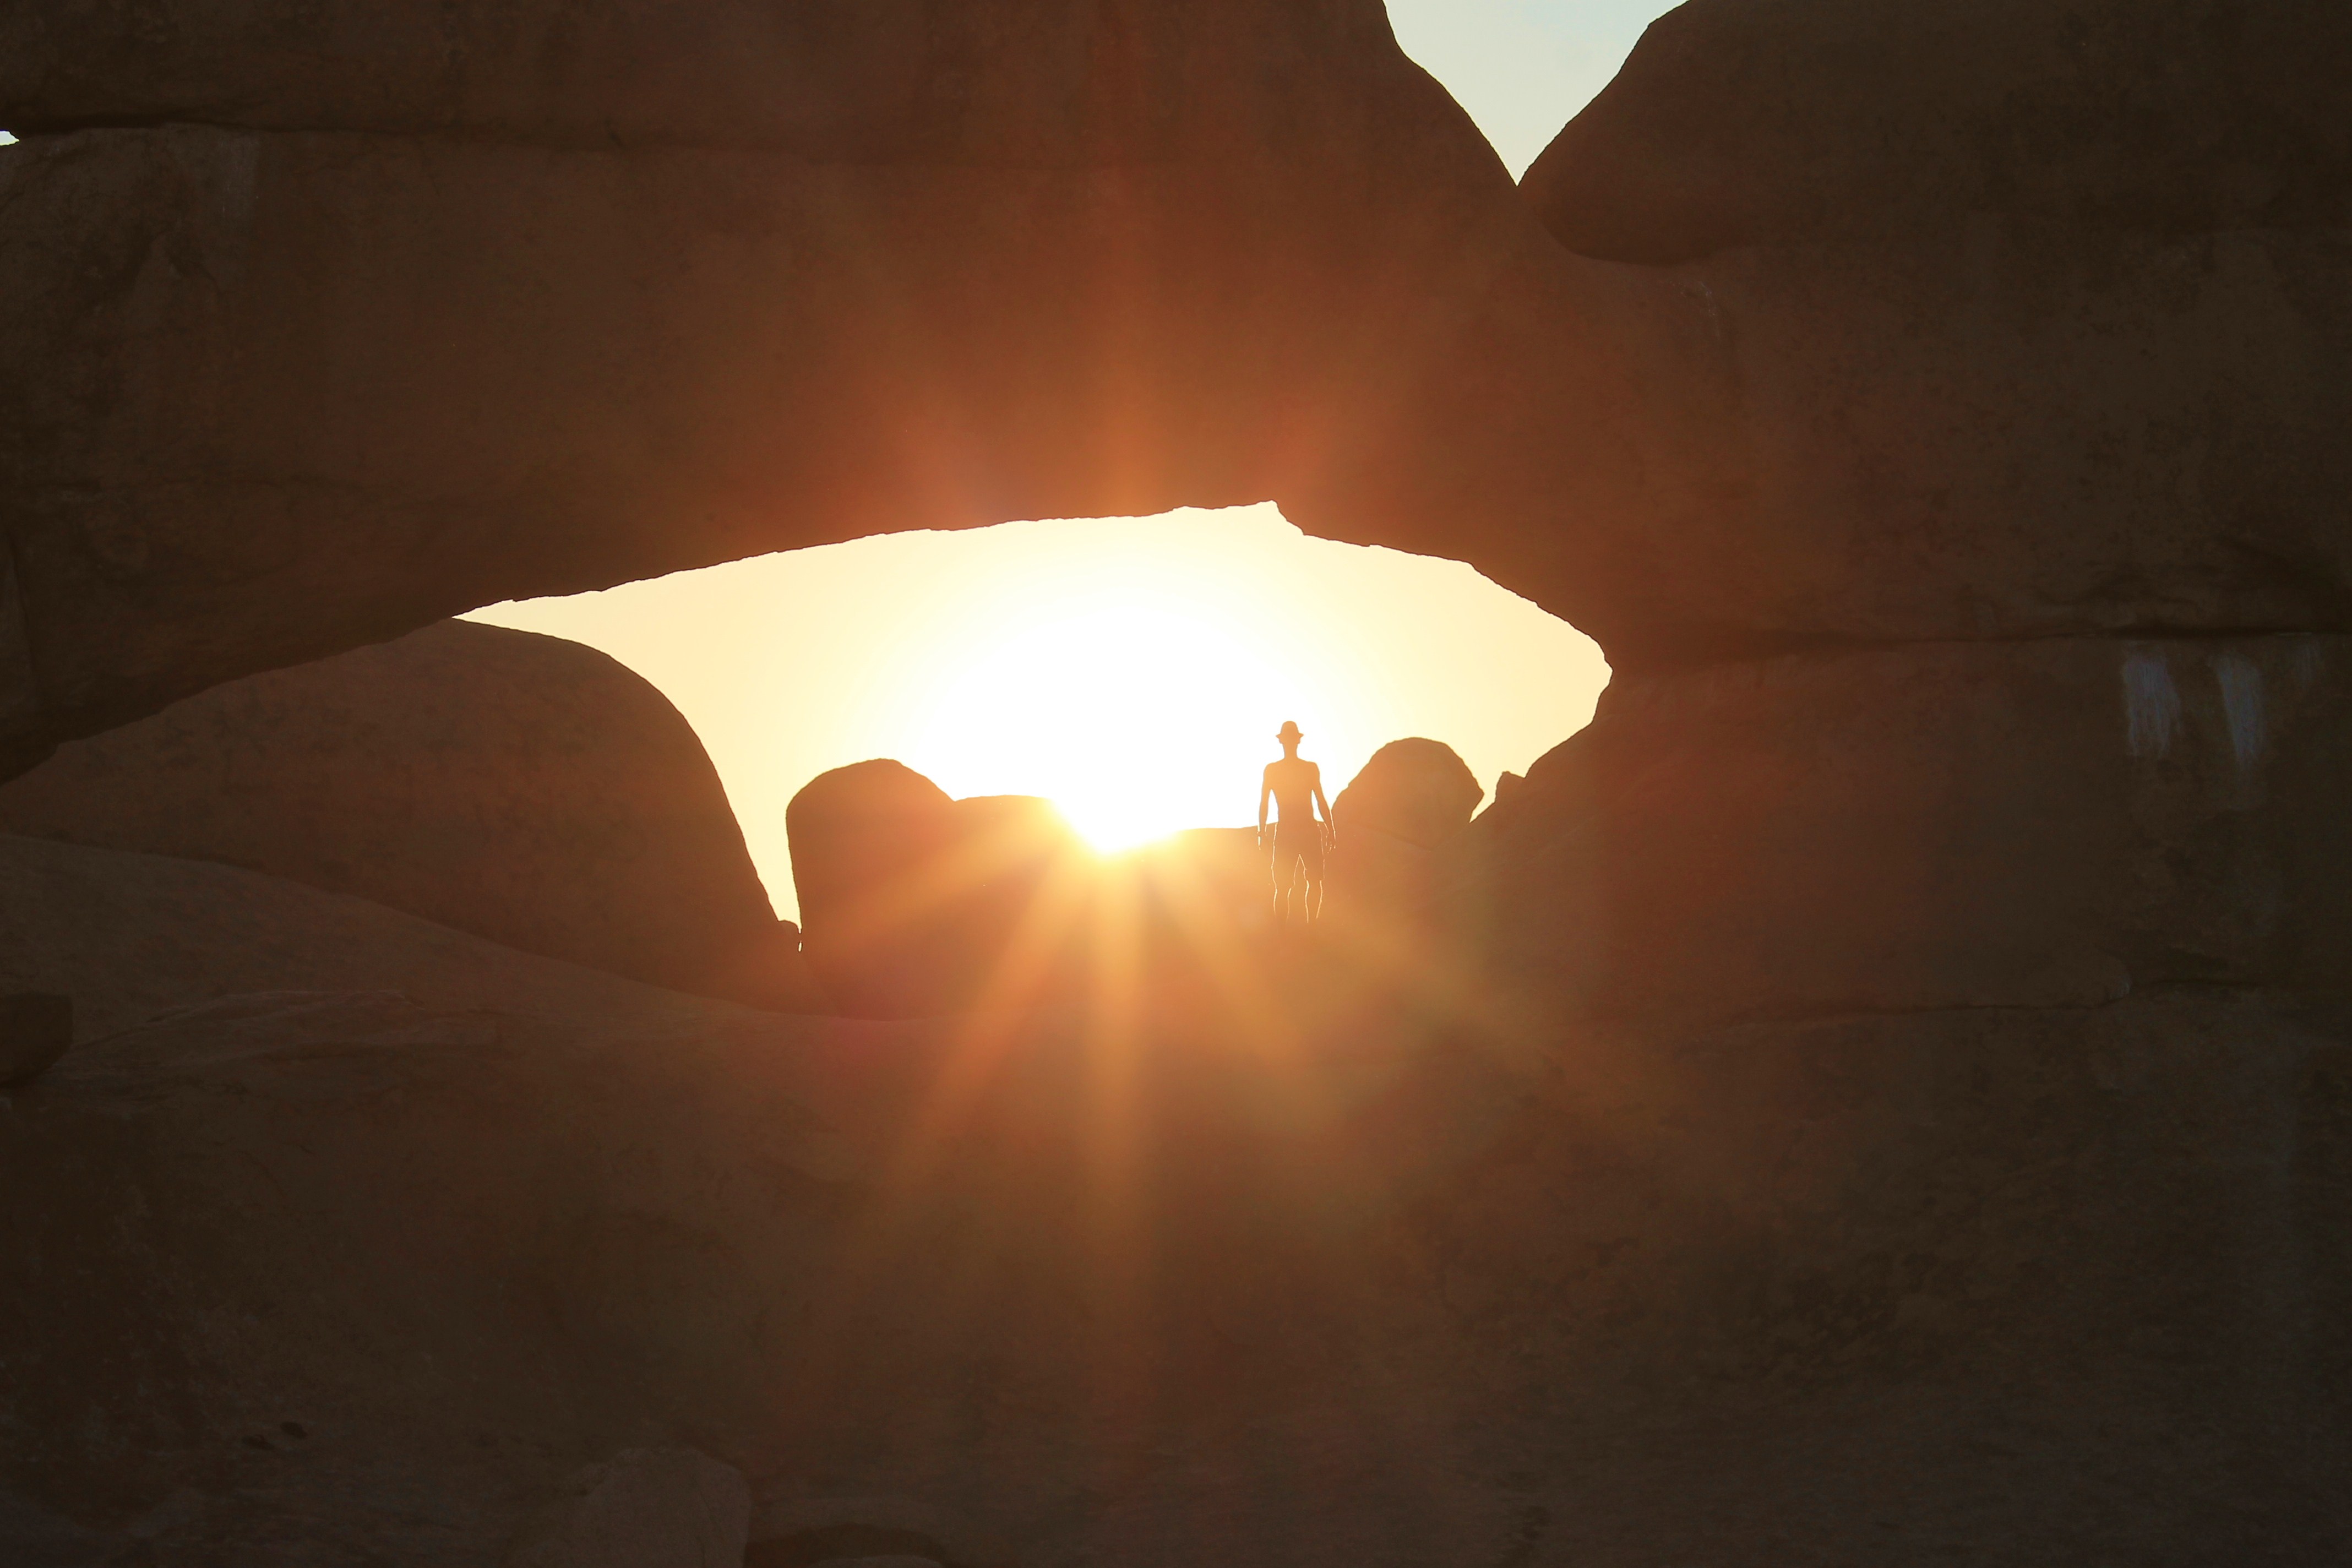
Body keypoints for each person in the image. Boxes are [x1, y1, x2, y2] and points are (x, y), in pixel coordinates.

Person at [1259, 720, 1334, 927]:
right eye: (1288, 739)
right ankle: (1286, 931)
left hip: (1304, 831)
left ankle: (1311, 928)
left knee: (1312, 881)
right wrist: (1262, 832)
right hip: (1290, 832)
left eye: (1292, 739)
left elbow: (1321, 800)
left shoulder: (1308, 768)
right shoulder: (1275, 770)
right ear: (1283, 741)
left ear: (1296, 741)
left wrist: (1331, 829)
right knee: (1284, 886)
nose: (1290, 742)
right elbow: (1264, 803)